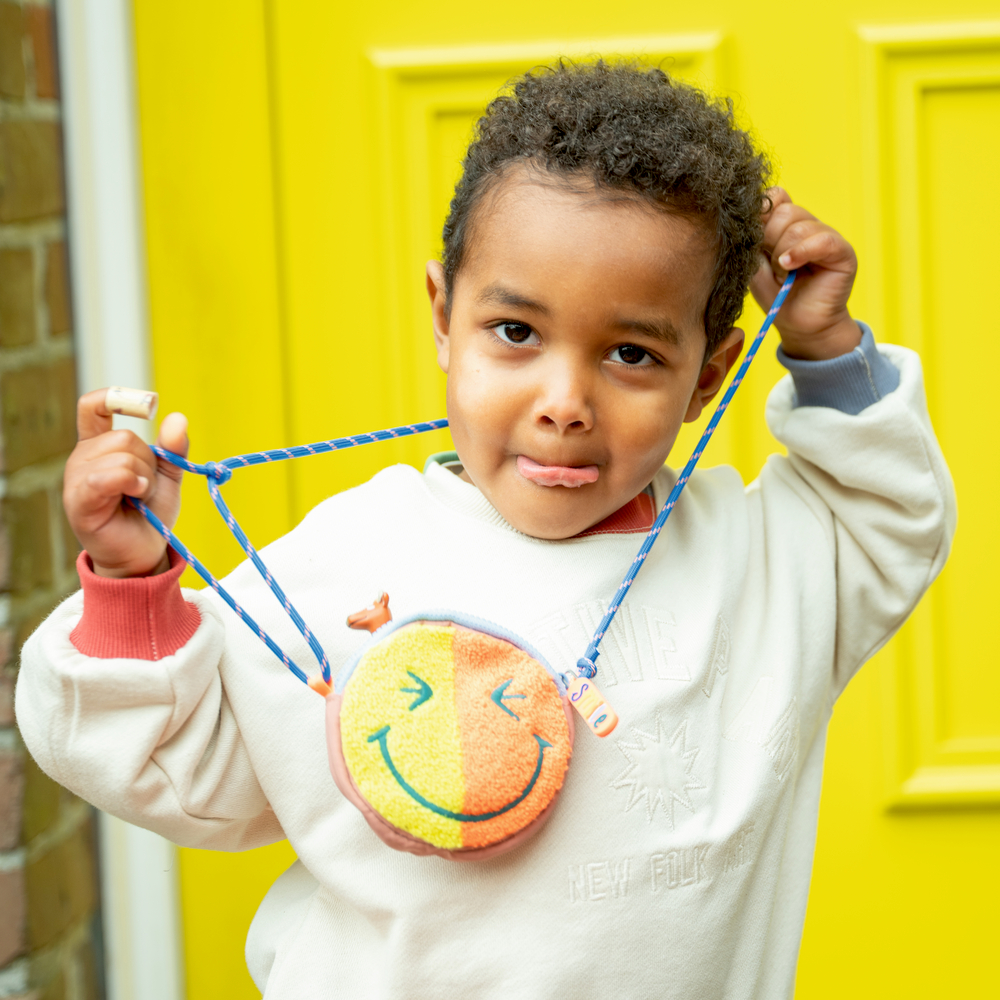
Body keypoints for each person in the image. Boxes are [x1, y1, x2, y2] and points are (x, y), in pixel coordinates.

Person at [16, 61, 954, 999]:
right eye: (515, 332)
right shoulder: (354, 555)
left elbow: (886, 516)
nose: (564, 402)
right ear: (443, 316)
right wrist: (130, 578)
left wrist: (824, 345)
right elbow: (182, 771)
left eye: (631, 353)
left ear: (708, 378)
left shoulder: (764, 565)